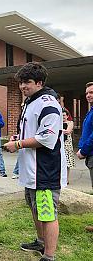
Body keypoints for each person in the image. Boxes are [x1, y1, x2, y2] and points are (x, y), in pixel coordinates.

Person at [3, 62, 67, 261]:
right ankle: (40, 242)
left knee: (47, 213)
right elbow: (32, 130)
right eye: (21, 83)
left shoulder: (48, 103)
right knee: (34, 208)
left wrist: (19, 144)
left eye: (27, 82)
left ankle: (49, 256)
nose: (23, 86)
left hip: (46, 171)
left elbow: (47, 138)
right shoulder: (31, 101)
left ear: (39, 82)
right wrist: (17, 138)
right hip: (31, 171)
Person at [76, 82, 93, 233]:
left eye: (92, 92)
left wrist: (83, 151)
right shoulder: (91, 111)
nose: (88, 95)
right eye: (87, 92)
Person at [62, 109, 75, 184]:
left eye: (64, 115)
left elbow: (68, 131)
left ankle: (66, 179)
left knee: (67, 163)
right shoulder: (58, 122)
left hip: (67, 145)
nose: (63, 117)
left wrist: (61, 131)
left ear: (67, 116)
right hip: (60, 144)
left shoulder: (70, 122)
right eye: (62, 115)